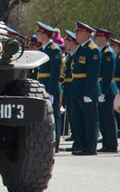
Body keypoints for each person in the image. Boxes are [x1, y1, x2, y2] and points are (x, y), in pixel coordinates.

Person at [69, 21, 101, 155]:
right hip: (77, 89)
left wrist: (88, 93)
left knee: (90, 120)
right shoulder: (81, 48)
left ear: (86, 34)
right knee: (78, 119)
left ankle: (90, 147)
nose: (76, 35)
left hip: (87, 90)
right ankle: (82, 145)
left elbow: (93, 74)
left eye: (78, 32)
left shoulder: (93, 50)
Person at [35, 22, 63, 152]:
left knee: (54, 117)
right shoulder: (43, 49)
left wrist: (51, 92)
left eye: (38, 33)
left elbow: (55, 73)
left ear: (44, 35)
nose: (37, 35)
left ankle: (55, 144)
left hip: (50, 87)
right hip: (42, 86)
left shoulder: (54, 50)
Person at [93, 28, 118, 152]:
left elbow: (108, 76)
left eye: (97, 37)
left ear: (103, 38)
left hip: (107, 90)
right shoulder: (101, 51)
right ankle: (106, 142)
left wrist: (103, 91)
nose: (95, 39)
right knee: (103, 117)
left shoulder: (108, 53)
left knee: (108, 117)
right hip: (101, 88)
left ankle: (112, 144)